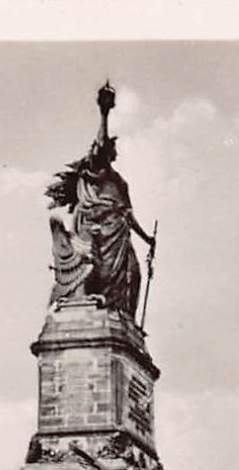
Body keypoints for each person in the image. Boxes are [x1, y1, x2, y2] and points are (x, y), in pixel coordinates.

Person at [46, 83, 157, 317]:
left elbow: (128, 215)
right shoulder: (98, 171)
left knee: (133, 275)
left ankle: (121, 316)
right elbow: (100, 143)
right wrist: (104, 113)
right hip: (97, 228)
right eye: (112, 148)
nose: (114, 150)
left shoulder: (120, 182)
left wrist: (147, 238)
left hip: (118, 234)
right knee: (93, 270)